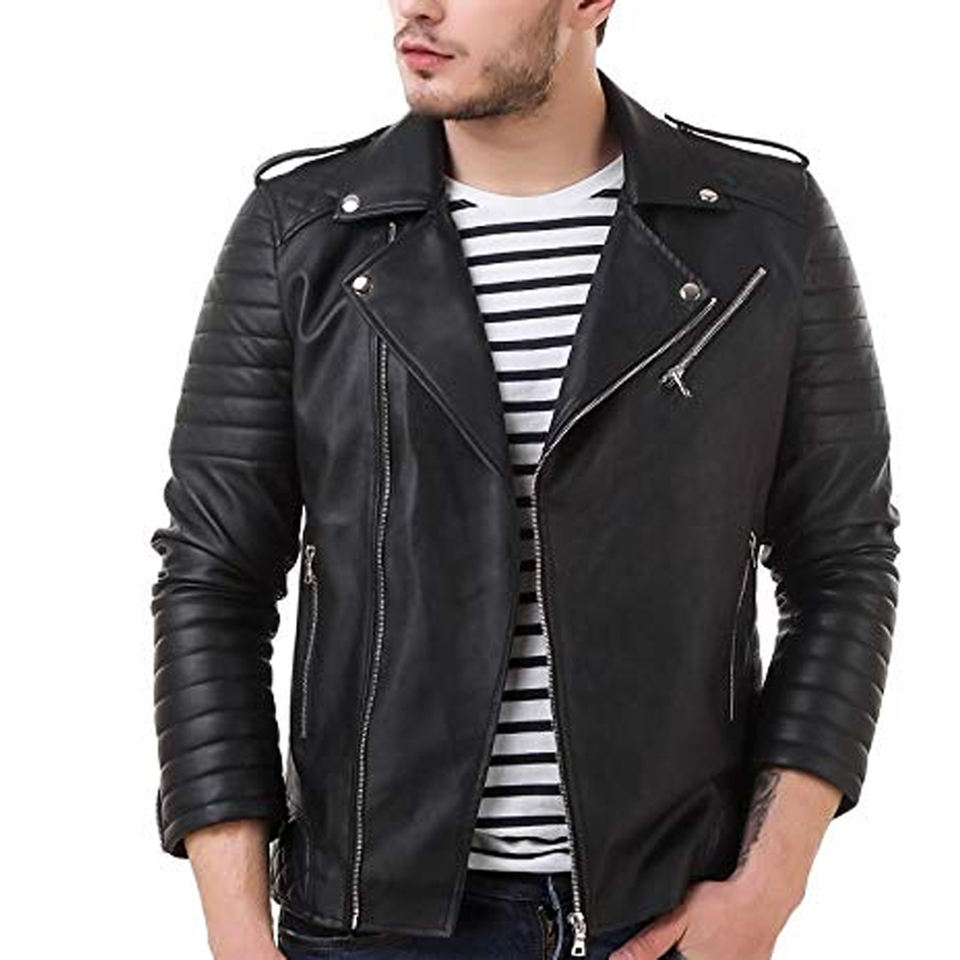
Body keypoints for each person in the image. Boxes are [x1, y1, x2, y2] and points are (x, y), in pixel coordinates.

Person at [148, 2, 902, 958]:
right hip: (369, 924)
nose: (416, 6)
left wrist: (768, 886)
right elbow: (212, 577)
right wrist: (238, 935)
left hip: (660, 915)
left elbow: (842, 562)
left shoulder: (760, 228)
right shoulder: (301, 234)